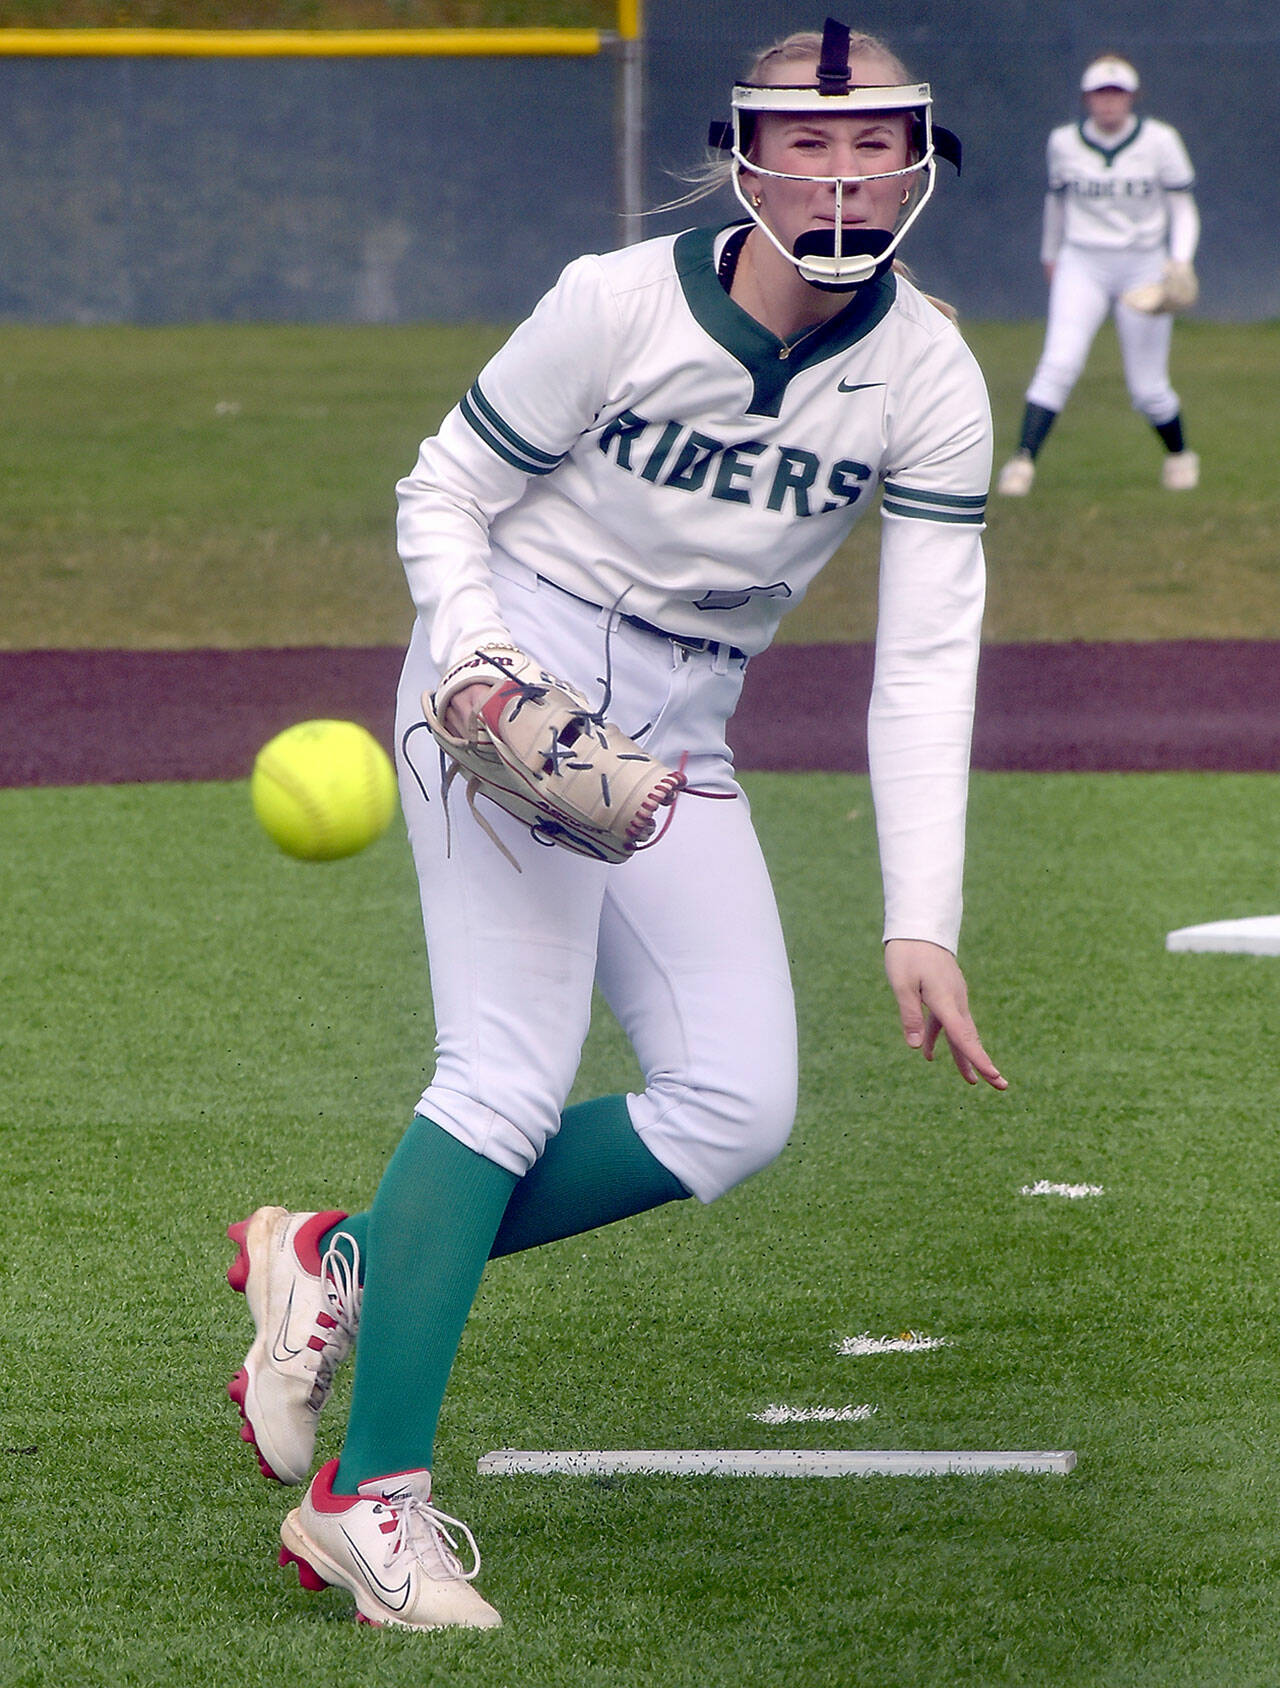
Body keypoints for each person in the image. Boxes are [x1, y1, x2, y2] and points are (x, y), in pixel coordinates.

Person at [225, 17, 1006, 1632]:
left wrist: (918, 910)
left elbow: (929, 653)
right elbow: (442, 485)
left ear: (922, 160)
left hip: (680, 727)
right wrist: (478, 653)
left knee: (738, 1102)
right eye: (809, 138)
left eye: (876, 142)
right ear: (746, 153)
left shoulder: (927, 373)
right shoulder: (617, 301)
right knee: (502, 1073)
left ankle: (340, 1258)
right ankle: (366, 1501)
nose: (844, 170)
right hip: (514, 676)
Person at [997, 54, 1201, 496]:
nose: (1109, 103)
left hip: (1144, 263)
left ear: (1132, 98)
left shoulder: (1160, 141)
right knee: (1059, 363)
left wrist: (1180, 260)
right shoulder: (1064, 142)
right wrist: (1050, 254)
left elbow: (1182, 208)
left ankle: (1180, 455)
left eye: (1118, 94)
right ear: (1087, 98)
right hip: (1084, 261)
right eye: (1100, 93)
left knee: (1148, 388)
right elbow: (1057, 203)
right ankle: (1022, 462)